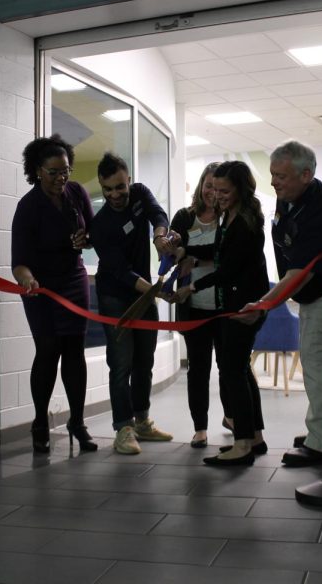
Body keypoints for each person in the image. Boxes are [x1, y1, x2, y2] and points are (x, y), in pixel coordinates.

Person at [238, 140, 322, 467]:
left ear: (306, 175)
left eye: (281, 176)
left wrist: (262, 305)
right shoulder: (289, 198)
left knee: (319, 365)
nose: (274, 182)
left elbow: (299, 274)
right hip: (315, 294)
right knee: (315, 363)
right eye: (273, 175)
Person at [173, 161, 269, 466]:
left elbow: (227, 269)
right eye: (214, 188)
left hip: (243, 308)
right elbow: (217, 249)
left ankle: (242, 444)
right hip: (236, 305)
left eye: (225, 190)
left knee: (232, 371)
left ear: (240, 190)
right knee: (236, 370)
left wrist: (191, 287)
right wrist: (189, 254)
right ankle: (253, 438)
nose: (218, 195)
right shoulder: (233, 216)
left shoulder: (243, 223)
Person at [11, 134, 97, 454]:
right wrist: (29, 280)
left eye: (65, 171)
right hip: (40, 286)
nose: (61, 178)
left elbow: (92, 234)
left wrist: (85, 238)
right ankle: (39, 423)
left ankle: (77, 421)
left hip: (74, 279)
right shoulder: (28, 207)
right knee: (48, 350)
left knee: (74, 350)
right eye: (53, 172)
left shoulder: (76, 193)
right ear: (37, 171)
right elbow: (19, 263)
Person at [90, 152, 178, 455]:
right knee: (121, 364)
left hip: (145, 294)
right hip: (116, 296)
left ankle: (142, 421)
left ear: (128, 181)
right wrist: (155, 291)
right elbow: (121, 273)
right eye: (108, 189)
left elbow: (158, 214)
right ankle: (123, 428)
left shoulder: (140, 194)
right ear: (102, 187)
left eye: (120, 187)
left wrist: (159, 237)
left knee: (145, 362)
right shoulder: (100, 225)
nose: (115, 194)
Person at [170, 162, 230, 449]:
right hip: (194, 307)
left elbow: (228, 259)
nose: (212, 193)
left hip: (224, 305)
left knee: (229, 365)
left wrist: (195, 258)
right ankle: (200, 428)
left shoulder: (229, 217)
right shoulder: (185, 217)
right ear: (201, 186)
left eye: (217, 188)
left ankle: (231, 416)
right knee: (199, 368)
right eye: (208, 186)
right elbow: (174, 256)